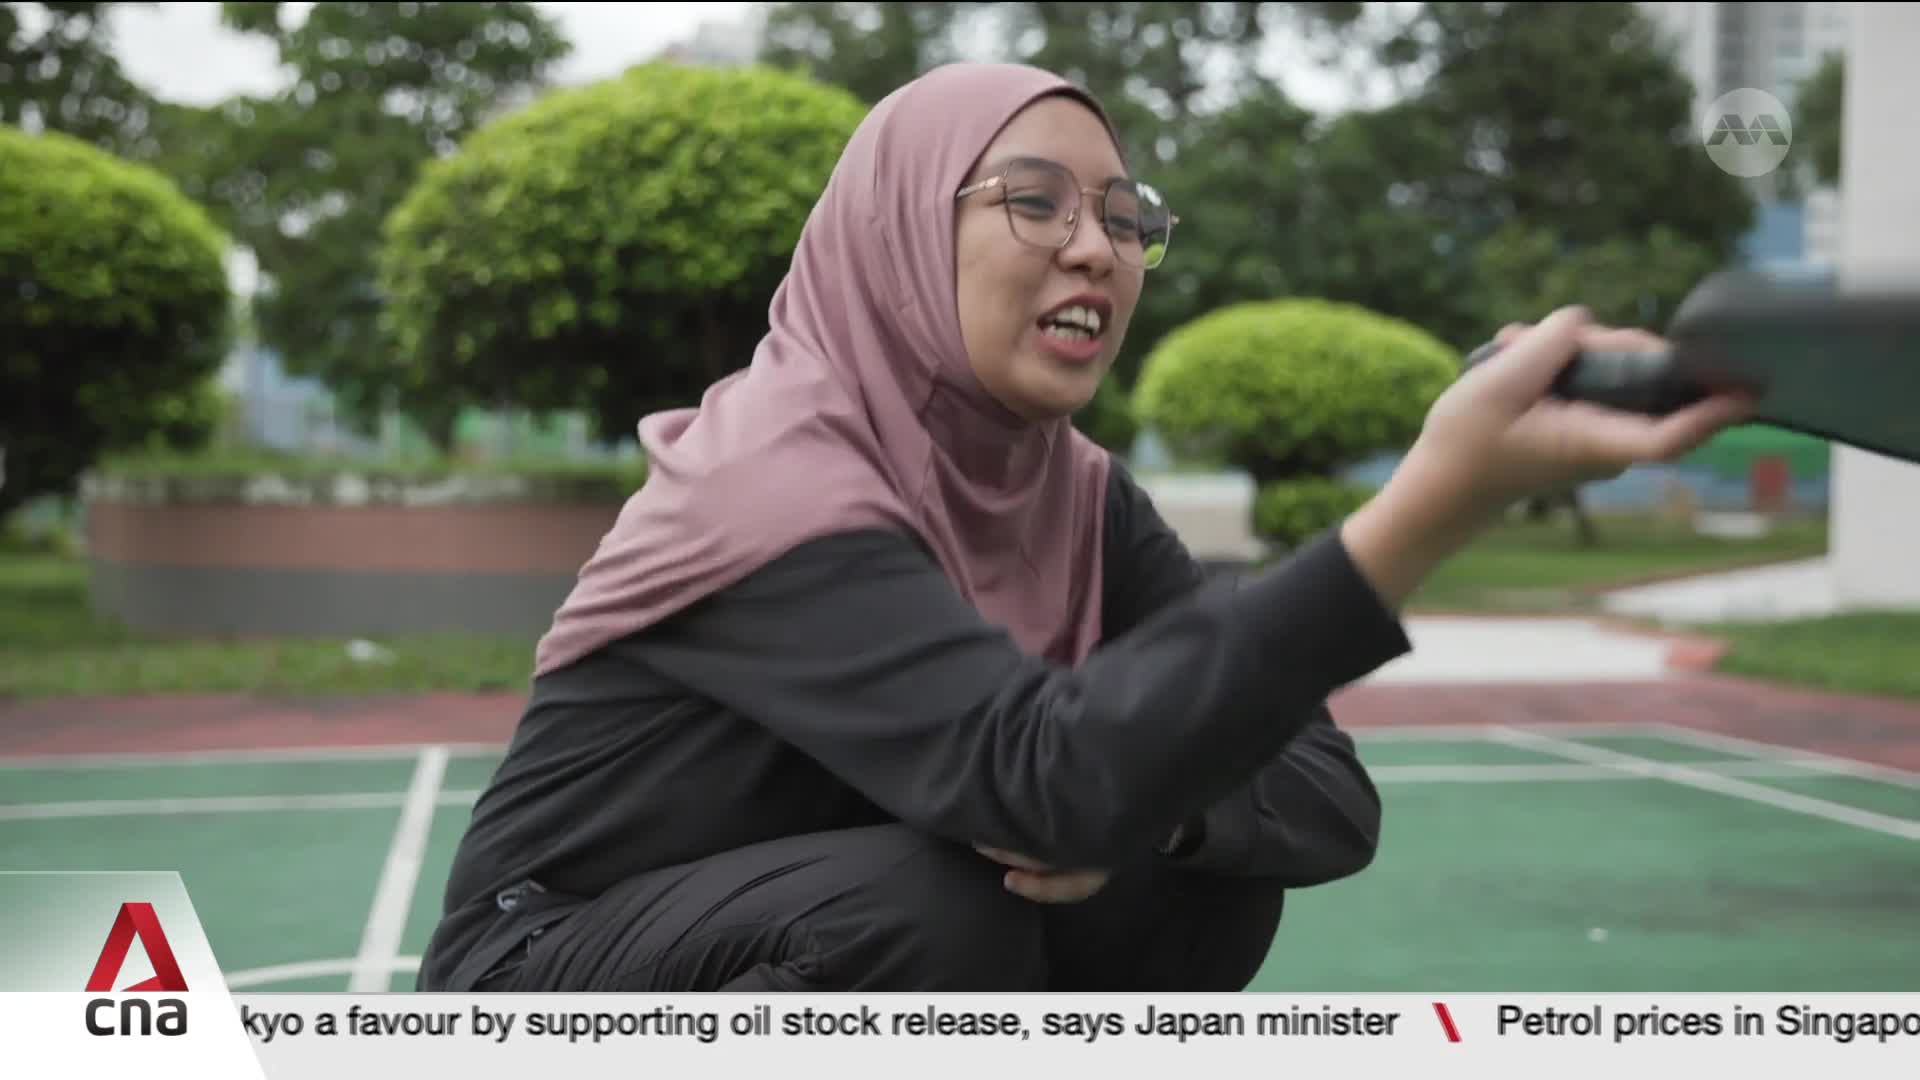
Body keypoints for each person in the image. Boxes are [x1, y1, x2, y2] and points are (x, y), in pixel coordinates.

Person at [415, 61, 1754, 994]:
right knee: (931, 902)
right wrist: (1430, 505)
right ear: (894, 235)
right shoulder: (765, 482)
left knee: (1202, 877)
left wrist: (1157, 820)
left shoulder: (1078, 493)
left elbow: (1321, 797)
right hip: (548, 979)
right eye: (1036, 202)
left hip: (811, 944)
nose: (1095, 249)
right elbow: (1043, 779)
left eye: (1125, 219)